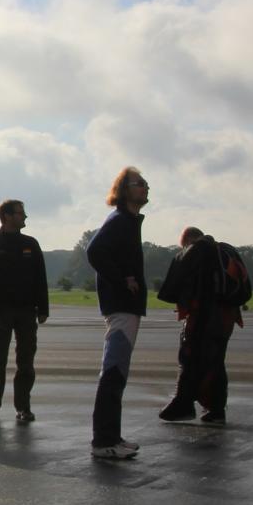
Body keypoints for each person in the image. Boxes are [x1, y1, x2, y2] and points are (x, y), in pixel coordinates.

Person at [86, 167, 149, 459]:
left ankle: (112, 436)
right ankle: (103, 442)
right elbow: (95, 251)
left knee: (118, 372)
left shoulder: (128, 222)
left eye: (146, 184)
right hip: (121, 306)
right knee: (113, 372)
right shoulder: (120, 220)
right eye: (139, 184)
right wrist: (122, 280)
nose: (145, 187)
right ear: (124, 190)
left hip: (127, 306)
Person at [156, 227, 240, 425]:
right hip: (227, 317)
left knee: (189, 358)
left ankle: (183, 404)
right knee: (215, 361)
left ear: (188, 241)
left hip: (204, 315)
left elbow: (179, 286)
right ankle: (215, 409)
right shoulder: (224, 252)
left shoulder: (199, 251)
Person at [0, 199, 48, 423]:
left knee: (26, 363)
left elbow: (40, 278)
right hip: (2, 314)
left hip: (27, 311)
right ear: (7, 216)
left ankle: (23, 408)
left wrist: (43, 308)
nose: (24, 216)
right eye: (20, 213)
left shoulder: (31, 244)